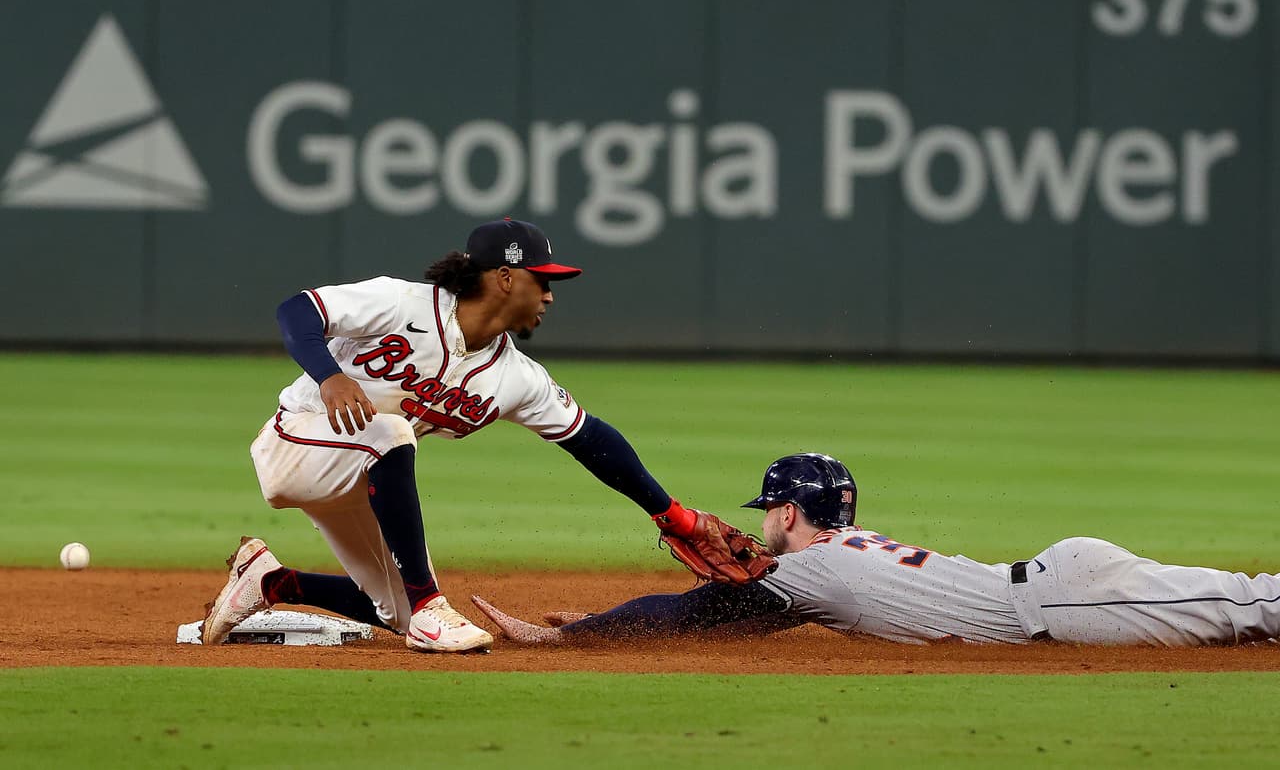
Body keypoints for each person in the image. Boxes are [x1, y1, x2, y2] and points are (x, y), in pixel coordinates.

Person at [200, 218, 721, 653]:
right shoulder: (403, 304)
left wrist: (671, 514)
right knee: (393, 433)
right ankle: (432, 610)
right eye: (543, 280)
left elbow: (590, 439)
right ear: (505, 277)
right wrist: (329, 375)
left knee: (395, 611)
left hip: (364, 474)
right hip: (297, 445)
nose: (549, 296)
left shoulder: (515, 376)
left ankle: (269, 580)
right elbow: (297, 311)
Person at [472, 453, 1280, 648]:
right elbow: (717, 613)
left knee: (1252, 603)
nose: (763, 527)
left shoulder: (809, 568)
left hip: (1066, 599)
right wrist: (609, 620)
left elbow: (695, 612)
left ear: (789, 511)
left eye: (770, 512)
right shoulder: (835, 559)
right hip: (1057, 586)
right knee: (1247, 604)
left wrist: (575, 634)